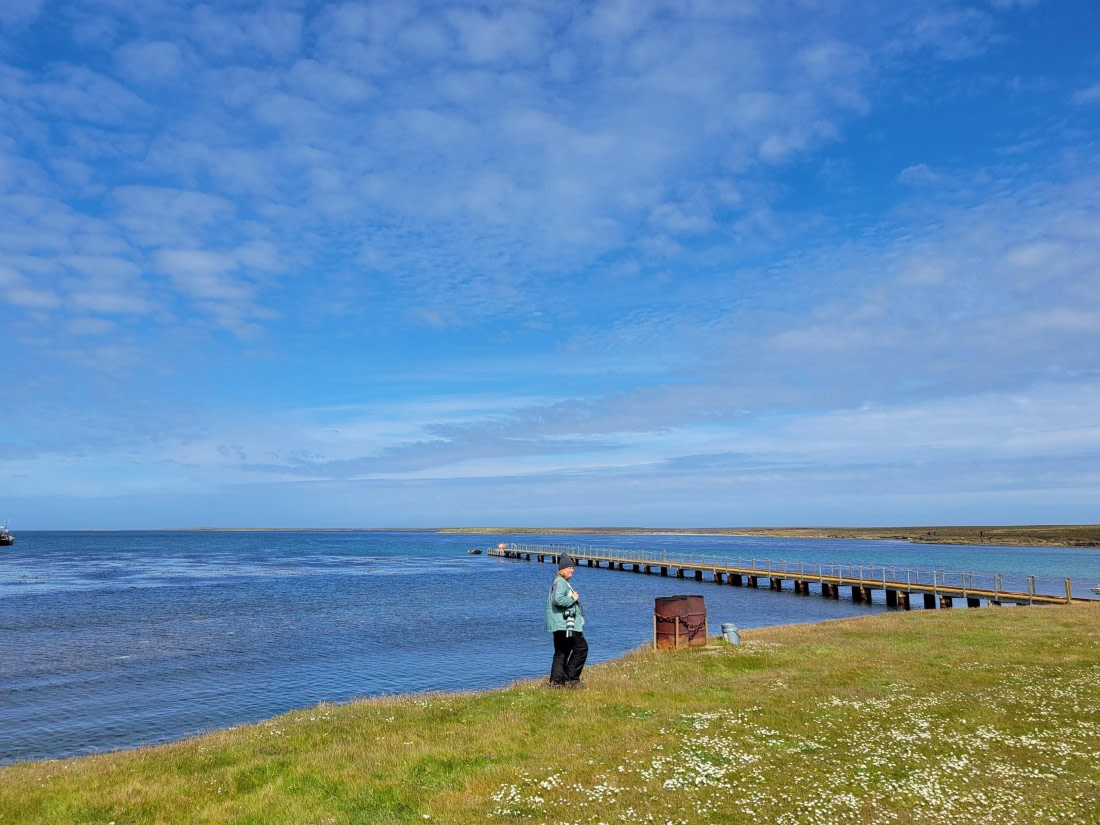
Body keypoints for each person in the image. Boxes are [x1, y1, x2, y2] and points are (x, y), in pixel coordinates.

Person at [545, 554, 588, 689]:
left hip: (561, 624)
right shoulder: (561, 582)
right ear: (562, 569)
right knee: (581, 649)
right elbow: (557, 600)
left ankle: (556, 682)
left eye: (573, 568)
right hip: (565, 624)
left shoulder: (559, 581)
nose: (572, 570)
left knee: (562, 652)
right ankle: (571, 678)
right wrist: (573, 599)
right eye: (569, 567)